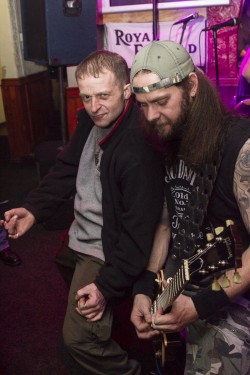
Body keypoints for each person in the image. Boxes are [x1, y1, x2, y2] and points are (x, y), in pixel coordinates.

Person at [1, 50, 164, 374]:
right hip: (80, 233)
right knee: (64, 262)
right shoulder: (92, 118)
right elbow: (66, 168)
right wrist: (34, 209)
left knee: (78, 342)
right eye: (87, 97)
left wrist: (105, 285)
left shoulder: (137, 148)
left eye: (103, 96)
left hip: (105, 245)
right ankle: (108, 317)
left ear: (126, 92)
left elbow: (137, 232)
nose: (94, 106)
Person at [129, 40, 250, 375]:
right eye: (142, 105)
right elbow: (169, 222)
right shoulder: (171, 134)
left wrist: (200, 304)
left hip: (235, 291)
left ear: (192, 85)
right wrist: (145, 287)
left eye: (160, 101)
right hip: (190, 279)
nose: (151, 115)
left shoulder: (241, 147)